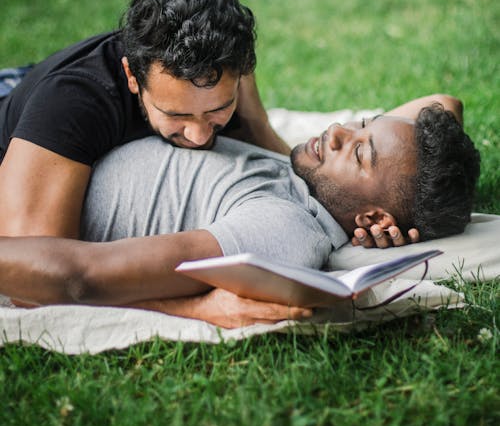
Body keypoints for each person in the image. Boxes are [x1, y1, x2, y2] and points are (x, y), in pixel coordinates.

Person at [0, 94, 480, 328]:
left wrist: (195, 309)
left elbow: (78, 277)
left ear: (373, 219)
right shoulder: (314, 178)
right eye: (361, 124)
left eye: (358, 152)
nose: (336, 131)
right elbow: (444, 105)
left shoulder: (283, 229)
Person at [0, 0, 290, 240]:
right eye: (177, 114)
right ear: (132, 77)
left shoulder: (228, 69)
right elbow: (28, 266)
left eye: (216, 110)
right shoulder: (72, 104)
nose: (199, 135)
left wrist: (255, 120)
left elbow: (265, 142)